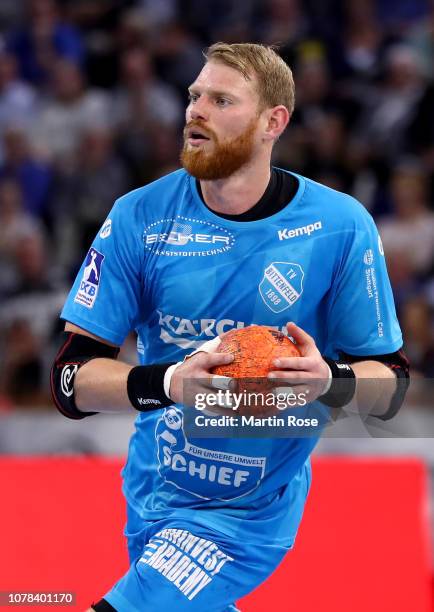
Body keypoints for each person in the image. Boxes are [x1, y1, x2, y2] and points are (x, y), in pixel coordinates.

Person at [51, 43, 409, 611]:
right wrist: (169, 384)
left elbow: (392, 385)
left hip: (252, 510)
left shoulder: (340, 226)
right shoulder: (139, 216)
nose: (196, 110)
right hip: (155, 492)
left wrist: (330, 382)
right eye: (195, 96)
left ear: (274, 122)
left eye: (221, 100)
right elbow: (70, 381)